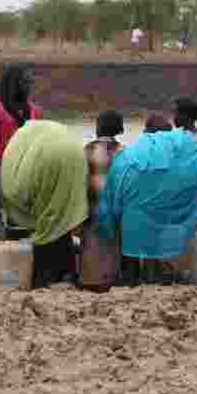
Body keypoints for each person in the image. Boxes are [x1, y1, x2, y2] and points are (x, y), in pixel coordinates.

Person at [98, 126, 197, 286]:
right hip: (157, 213)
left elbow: (117, 186)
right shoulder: (177, 156)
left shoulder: (131, 154)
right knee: (153, 250)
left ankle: (132, 281)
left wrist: (117, 210)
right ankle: (153, 278)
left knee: (131, 253)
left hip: (132, 213)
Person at [0, 120, 88, 288]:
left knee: (47, 226)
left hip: (43, 164)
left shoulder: (22, 140)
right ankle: (63, 274)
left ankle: (44, 277)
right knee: (60, 221)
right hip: (73, 155)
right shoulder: (47, 134)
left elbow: (13, 183)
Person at [81, 110, 125, 291]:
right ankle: (112, 278)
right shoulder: (124, 151)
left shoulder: (86, 150)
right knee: (113, 246)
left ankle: (92, 279)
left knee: (92, 246)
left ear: (99, 127)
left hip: (91, 206)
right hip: (116, 208)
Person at [0, 65, 42, 165]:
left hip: (27, 162)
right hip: (5, 161)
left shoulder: (34, 110)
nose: (29, 87)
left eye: (30, 83)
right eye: (25, 82)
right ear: (15, 84)